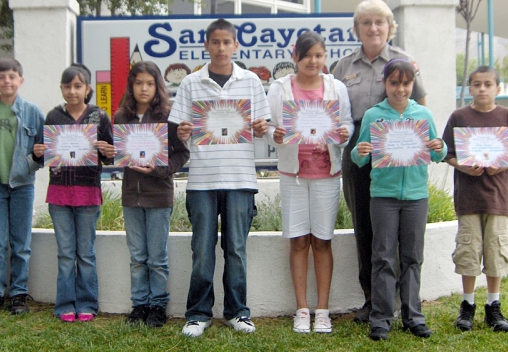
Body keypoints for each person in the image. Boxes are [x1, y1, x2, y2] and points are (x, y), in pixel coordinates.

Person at [169, 18, 271, 337]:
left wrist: (261, 127)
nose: (221, 48)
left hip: (240, 178)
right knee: (202, 248)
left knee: (236, 249)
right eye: (215, 42)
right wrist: (183, 132)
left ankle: (237, 312)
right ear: (206, 45)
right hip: (202, 179)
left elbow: (263, 125)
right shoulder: (191, 83)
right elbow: (179, 130)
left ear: (236, 45)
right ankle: (198, 313)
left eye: (227, 42)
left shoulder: (251, 81)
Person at [333, 0, 428, 323]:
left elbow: (421, 102)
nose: (373, 28)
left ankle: (405, 304)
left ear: (390, 27)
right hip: (360, 148)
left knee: (402, 231)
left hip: (400, 149)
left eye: (379, 22)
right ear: (357, 28)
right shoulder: (343, 66)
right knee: (367, 225)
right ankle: (373, 300)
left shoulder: (404, 60)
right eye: (366, 22)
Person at [350, 59, 446, 341]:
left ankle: (413, 315)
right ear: (385, 84)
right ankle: (381, 317)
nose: (400, 89)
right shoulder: (372, 116)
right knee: (382, 256)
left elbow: (437, 153)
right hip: (383, 197)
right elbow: (358, 156)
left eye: (406, 83)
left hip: (416, 197)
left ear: (412, 85)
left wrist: (440, 146)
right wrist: (361, 150)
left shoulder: (423, 115)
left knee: (413, 257)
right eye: (394, 83)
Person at [266, 31, 353, 334]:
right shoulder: (279, 88)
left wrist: (344, 133)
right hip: (294, 174)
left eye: (319, 55)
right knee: (298, 240)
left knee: (322, 241)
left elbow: (348, 123)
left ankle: (323, 310)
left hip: (326, 174)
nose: (313, 61)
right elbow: (269, 125)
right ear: (295, 58)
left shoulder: (335, 87)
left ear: (324, 57)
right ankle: (302, 309)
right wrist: (273, 134)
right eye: (307, 55)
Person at [442, 66, 508, 333]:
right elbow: (448, 153)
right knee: (468, 250)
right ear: (469, 88)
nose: (482, 89)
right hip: (468, 198)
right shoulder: (459, 116)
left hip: (497, 198)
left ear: (497, 89)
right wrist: (463, 167)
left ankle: (494, 306)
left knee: (496, 250)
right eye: (476, 84)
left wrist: (503, 163)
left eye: (488, 84)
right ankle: (467, 305)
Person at [32, 64, 114, 323]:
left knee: (85, 253)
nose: (72, 91)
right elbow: (43, 155)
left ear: (87, 89)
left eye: (78, 86)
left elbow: (111, 156)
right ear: (61, 88)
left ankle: (88, 303)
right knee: (66, 253)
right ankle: (65, 303)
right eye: (67, 86)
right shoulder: (53, 117)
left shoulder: (99, 116)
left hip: (88, 193)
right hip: (59, 195)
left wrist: (106, 150)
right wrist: (38, 153)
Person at [114, 61, 190, 328]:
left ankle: (158, 306)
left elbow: (182, 154)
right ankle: (139, 305)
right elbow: (119, 153)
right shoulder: (120, 117)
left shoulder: (169, 117)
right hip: (131, 197)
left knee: (157, 257)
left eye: (149, 83)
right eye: (138, 83)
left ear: (157, 86)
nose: (143, 89)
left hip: (159, 196)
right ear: (131, 86)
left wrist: (159, 170)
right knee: (137, 256)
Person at [0, 58, 44, 316]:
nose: (7, 81)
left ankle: (18, 294)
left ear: (20, 81)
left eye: (12, 77)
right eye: (1, 77)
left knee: (21, 242)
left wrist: (32, 161)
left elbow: (43, 153)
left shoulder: (33, 112)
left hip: (22, 185)